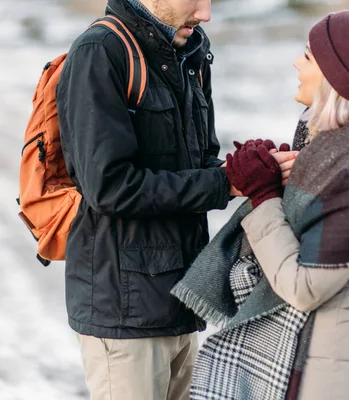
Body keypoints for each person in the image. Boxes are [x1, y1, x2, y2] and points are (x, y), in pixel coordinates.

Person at [172, 9, 349, 400]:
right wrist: (285, 177)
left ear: (335, 77)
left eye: (307, 55)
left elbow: (303, 287)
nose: (295, 63)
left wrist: (264, 195)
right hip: (320, 353)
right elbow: (314, 209)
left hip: (330, 371)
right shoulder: (339, 149)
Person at [55, 0, 242, 398]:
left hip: (180, 303)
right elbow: (110, 186)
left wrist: (246, 170)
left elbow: (199, 159)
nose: (206, 13)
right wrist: (224, 183)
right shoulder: (100, 52)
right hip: (125, 314)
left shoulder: (189, 52)